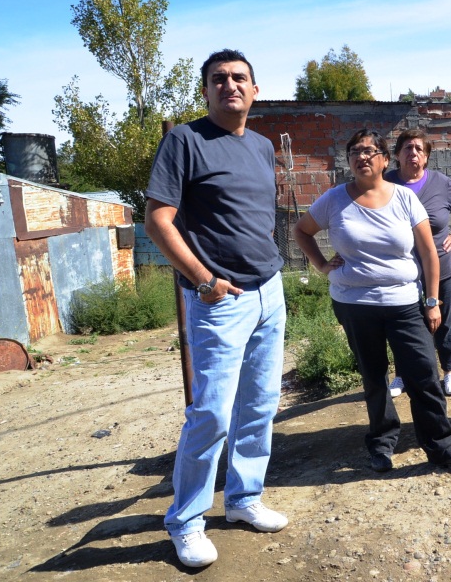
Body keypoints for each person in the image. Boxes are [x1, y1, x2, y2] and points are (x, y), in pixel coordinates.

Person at [145, 49, 288, 569]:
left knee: (260, 404)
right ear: (205, 90)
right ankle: (186, 522)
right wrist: (203, 280)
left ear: (254, 90)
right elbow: (158, 219)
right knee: (210, 413)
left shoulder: (262, 145)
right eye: (218, 79)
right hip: (219, 301)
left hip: (268, 292)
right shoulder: (185, 141)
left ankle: (245, 500)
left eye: (239, 78)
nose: (230, 85)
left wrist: (270, 273)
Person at [293, 129, 451, 474]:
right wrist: (320, 265)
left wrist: (432, 300)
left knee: (424, 373)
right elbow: (301, 231)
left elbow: (428, 253)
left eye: (370, 151)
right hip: (354, 304)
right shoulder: (333, 200)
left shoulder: (405, 198)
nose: (362, 157)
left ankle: (442, 447)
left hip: (403, 302)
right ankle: (381, 443)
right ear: (349, 160)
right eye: (355, 151)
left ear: (384, 160)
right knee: (374, 378)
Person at [383, 129, 451, 398]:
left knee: (444, 319)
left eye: (419, 150)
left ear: (426, 157)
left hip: (440, 263)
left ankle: (450, 372)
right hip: (400, 269)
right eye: (407, 148)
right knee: (403, 322)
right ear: (397, 155)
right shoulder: (386, 184)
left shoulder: (440, 183)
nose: (413, 153)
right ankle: (402, 374)